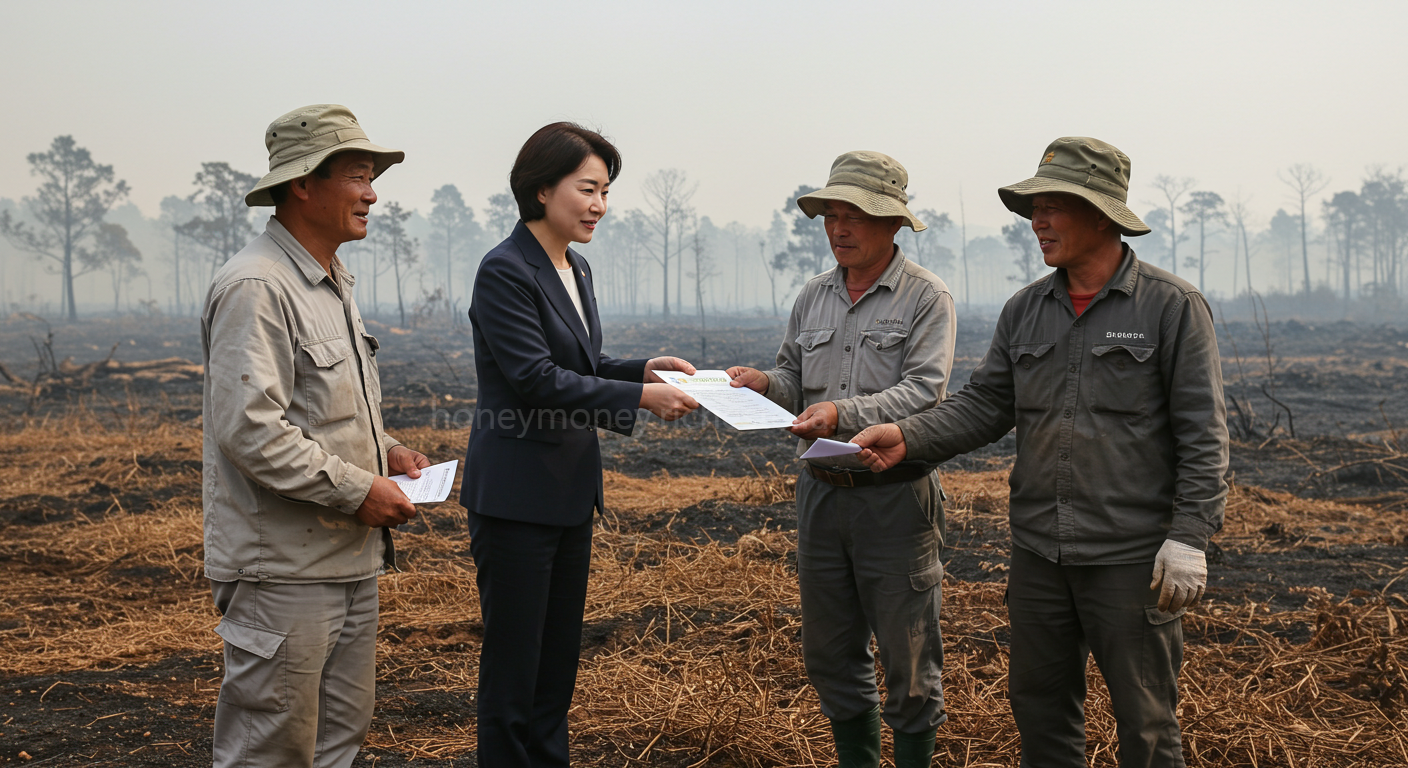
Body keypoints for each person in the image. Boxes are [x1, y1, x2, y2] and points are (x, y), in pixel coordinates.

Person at [851, 137, 1228, 767]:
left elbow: (1204, 434)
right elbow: (985, 405)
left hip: (1131, 558)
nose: (1037, 222)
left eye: (1054, 206)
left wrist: (1189, 536)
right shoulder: (1026, 309)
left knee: (1146, 723)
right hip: (1039, 555)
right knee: (1041, 713)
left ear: (1102, 216)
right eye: (1035, 208)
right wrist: (908, 436)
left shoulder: (1171, 308)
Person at [459, 122, 699, 767]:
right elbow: (536, 378)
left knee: (556, 664)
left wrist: (643, 370)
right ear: (541, 189)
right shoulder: (504, 270)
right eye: (587, 189)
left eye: (605, 192)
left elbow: (582, 363)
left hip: (567, 494)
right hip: (515, 498)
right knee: (515, 667)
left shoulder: (575, 266)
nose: (599, 205)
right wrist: (640, 399)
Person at [201, 104, 430, 768]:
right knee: (270, 752)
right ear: (303, 184)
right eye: (357, 175)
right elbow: (251, 429)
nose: (372, 194)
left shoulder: (329, 281)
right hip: (283, 572)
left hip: (345, 560)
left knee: (336, 745)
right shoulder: (257, 286)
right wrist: (360, 489)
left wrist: (385, 451)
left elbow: (319, 410)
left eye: (371, 178)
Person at [727, 151, 956, 768]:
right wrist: (762, 384)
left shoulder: (926, 297)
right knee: (830, 653)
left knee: (909, 658)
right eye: (831, 215)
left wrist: (841, 412)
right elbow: (792, 378)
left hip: (895, 497)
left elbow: (924, 391)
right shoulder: (814, 295)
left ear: (893, 223)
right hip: (821, 496)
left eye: (854, 215)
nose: (838, 228)